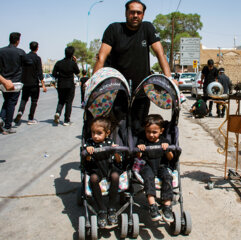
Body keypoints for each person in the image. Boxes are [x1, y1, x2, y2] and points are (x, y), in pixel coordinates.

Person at [93, 0, 173, 134]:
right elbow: (102, 57)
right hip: (118, 91)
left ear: (143, 14)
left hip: (141, 91)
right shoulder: (114, 29)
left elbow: (160, 53)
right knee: (119, 128)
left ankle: (136, 154)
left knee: (138, 128)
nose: (135, 15)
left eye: (139, 13)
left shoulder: (147, 28)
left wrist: (169, 78)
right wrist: (94, 83)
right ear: (126, 13)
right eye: (132, 12)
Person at [83, 117, 122, 228]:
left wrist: (115, 152)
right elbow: (87, 160)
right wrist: (88, 153)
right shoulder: (89, 143)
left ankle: (111, 207)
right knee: (93, 179)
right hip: (96, 169)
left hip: (109, 168)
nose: (95, 136)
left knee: (115, 176)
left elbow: (118, 160)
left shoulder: (110, 142)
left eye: (99, 133)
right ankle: (101, 209)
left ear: (107, 133)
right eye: (93, 133)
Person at [136, 114, 174, 223]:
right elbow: (138, 157)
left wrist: (168, 150)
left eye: (154, 132)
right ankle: (153, 206)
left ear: (161, 131)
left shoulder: (164, 141)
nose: (151, 135)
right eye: (148, 132)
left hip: (161, 165)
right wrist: (139, 149)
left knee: (167, 177)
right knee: (149, 177)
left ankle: (167, 206)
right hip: (147, 165)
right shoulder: (142, 140)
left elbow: (170, 158)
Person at [0, 32, 28, 134]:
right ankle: (8, 126)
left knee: (6, 101)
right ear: (18, 41)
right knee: (12, 103)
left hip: (3, 82)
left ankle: (1, 118)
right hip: (15, 83)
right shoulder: (20, 52)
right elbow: (28, 62)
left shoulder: (1, 51)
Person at [14, 41, 47, 125]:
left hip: (25, 83)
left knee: (24, 99)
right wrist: (43, 85)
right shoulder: (37, 58)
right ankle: (30, 118)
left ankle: (20, 112)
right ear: (37, 48)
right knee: (34, 101)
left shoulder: (24, 57)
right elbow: (40, 72)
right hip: (34, 84)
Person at [52, 46, 80, 126]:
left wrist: (60, 76)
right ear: (72, 54)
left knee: (61, 100)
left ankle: (58, 113)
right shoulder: (72, 63)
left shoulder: (59, 63)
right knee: (69, 102)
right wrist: (75, 62)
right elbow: (77, 72)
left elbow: (54, 74)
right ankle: (66, 120)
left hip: (61, 85)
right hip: (70, 85)